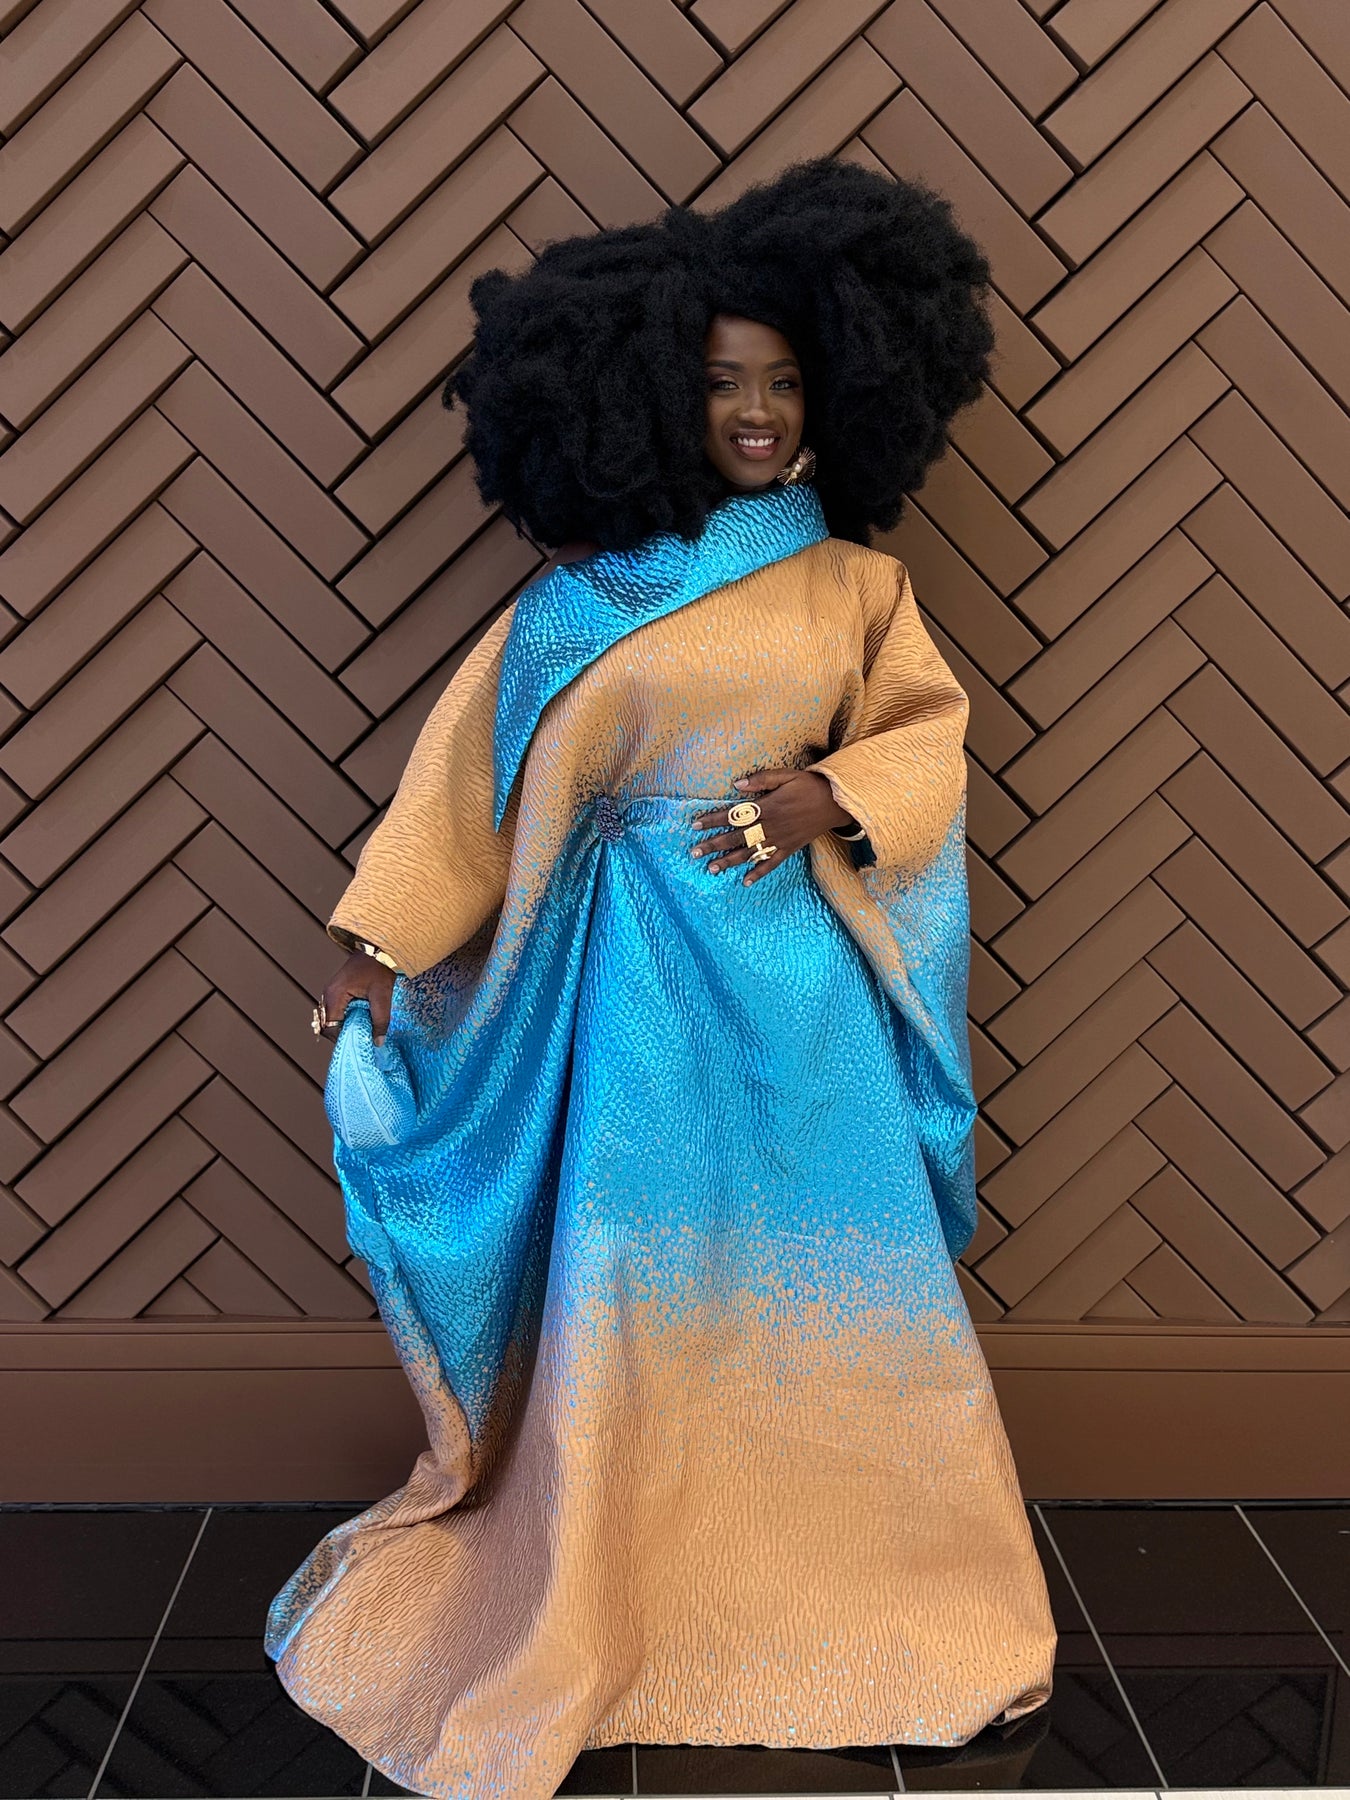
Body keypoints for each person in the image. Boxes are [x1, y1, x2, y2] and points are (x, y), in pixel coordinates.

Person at [266, 156, 1056, 1800]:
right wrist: (373, 945)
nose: (757, 413)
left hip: (798, 998)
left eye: (784, 384)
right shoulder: (578, 604)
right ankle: (603, 1594)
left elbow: (927, 737)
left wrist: (834, 794)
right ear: (648, 400)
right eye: (720, 385)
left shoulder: (859, 587)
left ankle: (902, 1606)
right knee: (628, 1287)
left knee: (849, 1284)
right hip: (621, 992)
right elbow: (470, 784)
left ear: (839, 394)